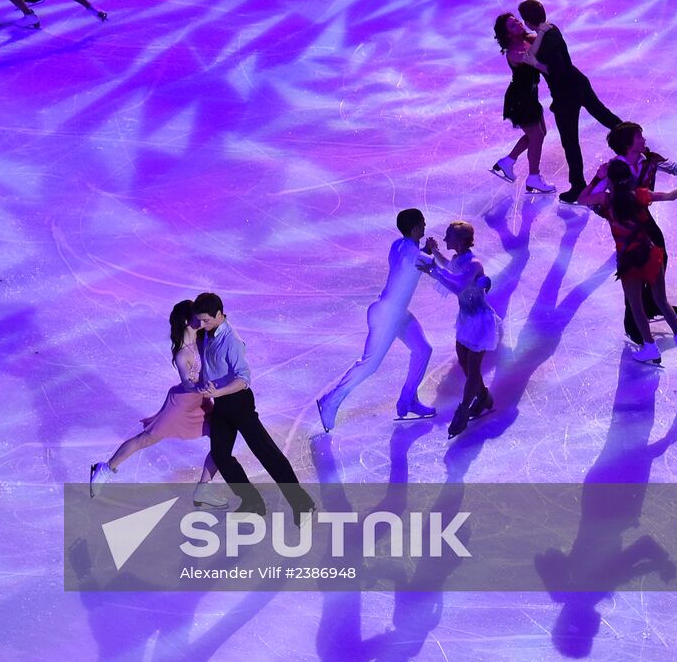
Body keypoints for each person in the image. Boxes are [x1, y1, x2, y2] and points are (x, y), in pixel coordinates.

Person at [89, 301, 226, 509]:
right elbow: (188, 385)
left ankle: (204, 487)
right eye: (197, 316)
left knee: (221, 440)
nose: (202, 318)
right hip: (181, 405)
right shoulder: (183, 354)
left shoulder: (202, 338)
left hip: (202, 402)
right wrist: (203, 385)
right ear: (188, 320)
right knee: (146, 440)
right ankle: (105, 468)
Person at [316, 209, 440, 432]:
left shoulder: (398, 245)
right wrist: (434, 252)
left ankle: (408, 400)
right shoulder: (418, 256)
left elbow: (411, 261)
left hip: (396, 312)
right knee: (369, 364)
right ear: (414, 229)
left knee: (422, 349)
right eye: (422, 223)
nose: (425, 224)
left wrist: (426, 251)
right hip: (387, 316)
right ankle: (330, 400)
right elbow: (437, 269)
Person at [192, 292, 313, 520]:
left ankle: (303, 504)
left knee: (266, 453)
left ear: (219, 314)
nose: (202, 324)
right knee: (220, 455)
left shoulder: (231, 341)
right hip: (221, 403)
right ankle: (252, 502)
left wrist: (219, 390)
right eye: (200, 320)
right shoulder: (207, 333)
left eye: (206, 320)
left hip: (239, 402)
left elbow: (243, 379)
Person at [589, 123, 677, 344]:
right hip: (627, 223)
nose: (643, 139)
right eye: (638, 137)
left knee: (660, 255)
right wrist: (610, 214)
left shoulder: (649, 158)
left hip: (643, 216)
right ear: (627, 144)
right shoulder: (614, 168)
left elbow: (672, 166)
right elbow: (591, 196)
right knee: (631, 272)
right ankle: (632, 325)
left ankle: (652, 303)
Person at [578, 158, 677, 364]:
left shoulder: (605, 200)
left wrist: (597, 177)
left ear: (610, 181)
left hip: (629, 261)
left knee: (636, 305)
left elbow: (581, 199)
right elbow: (671, 196)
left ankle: (650, 347)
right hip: (651, 255)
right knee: (661, 300)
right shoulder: (640, 195)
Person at [517, 0, 623, 202]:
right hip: (578, 82)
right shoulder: (549, 29)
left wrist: (535, 63)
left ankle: (578, 186)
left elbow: (557, 72)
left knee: (570, 141)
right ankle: (634, 140)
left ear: (529, 21)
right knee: (604, 116)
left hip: (566, 93)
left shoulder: (548, 42)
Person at [418, 221, 501, 438]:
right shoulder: (459, 259)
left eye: (448, 236)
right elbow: (449, 267)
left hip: (480, 322)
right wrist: (434, 252)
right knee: (464, 362)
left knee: (473, 368)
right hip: (466, 319)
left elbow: (457, 285)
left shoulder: (474, 264)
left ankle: (464, 410)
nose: (445, 240)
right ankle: (483, 397)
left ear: (461, 239)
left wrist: (433, 271)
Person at [489, 13, 556, 193]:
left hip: (530, 96)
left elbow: (544, 42)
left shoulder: (528, 38)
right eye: (512, 25)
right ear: (508, 34)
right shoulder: (513, 53)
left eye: (517, 20)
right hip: (520, 100)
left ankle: (507, 161)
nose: (518, 24)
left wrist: (543, 32)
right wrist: (541, 32)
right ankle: (533, 177)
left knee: (540, 134)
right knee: (537, 136)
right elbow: (530, 57)